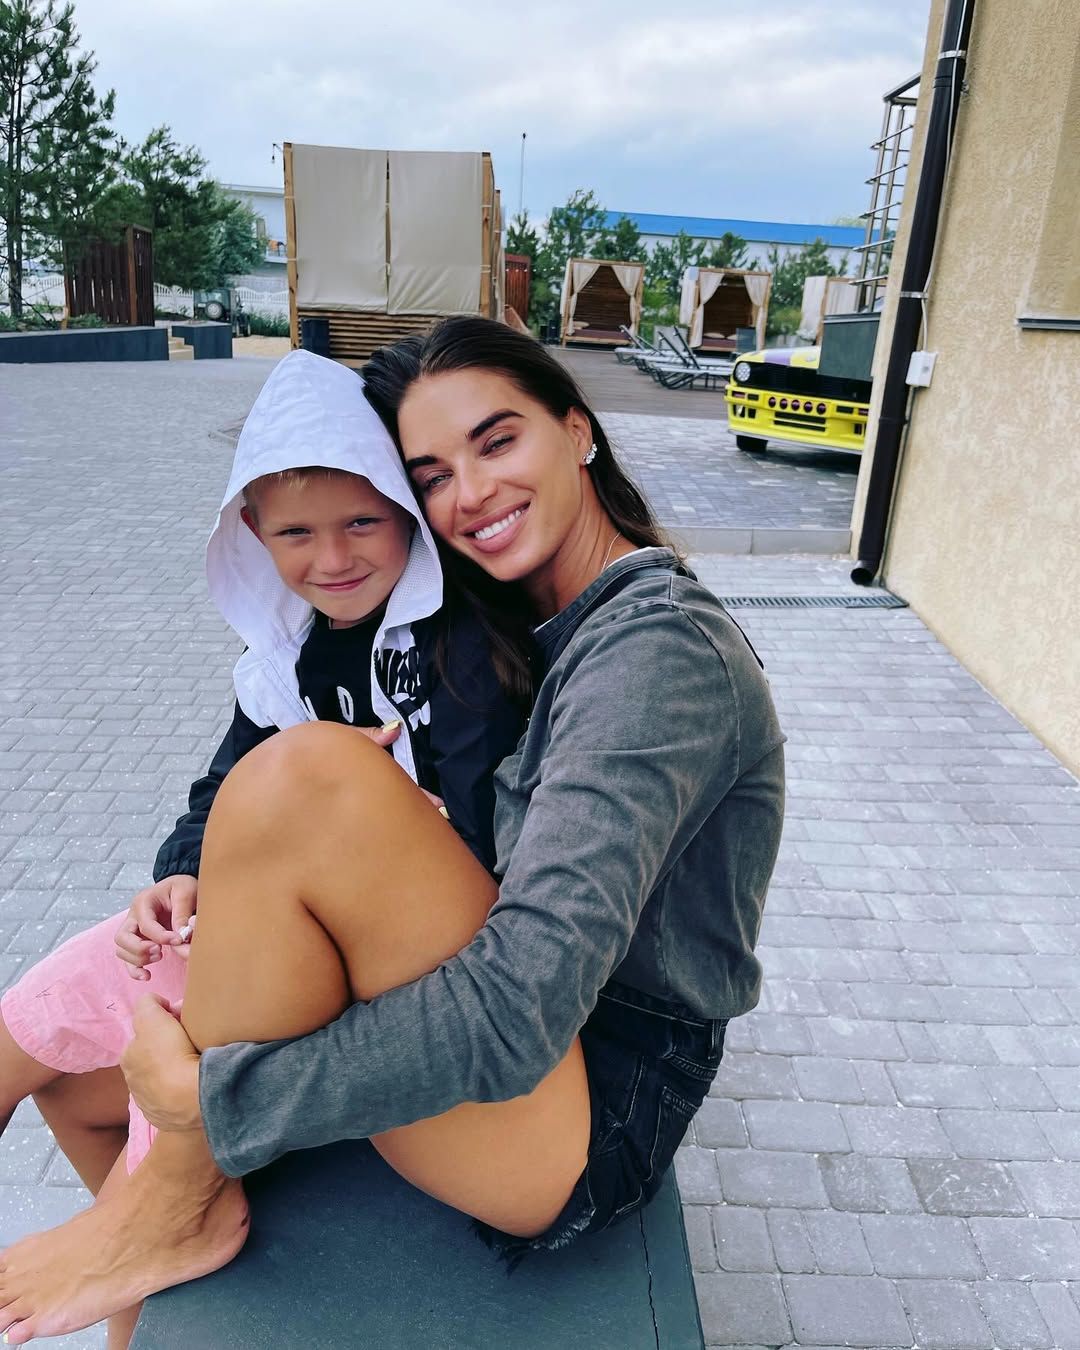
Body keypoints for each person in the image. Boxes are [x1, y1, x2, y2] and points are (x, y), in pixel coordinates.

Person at [0, 318, 784, 1345]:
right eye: (433, 474)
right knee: (72, 1085)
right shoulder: (511, 614)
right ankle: (148, 1273)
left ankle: (170, 1202)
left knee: (312, 774)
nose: (472, 493)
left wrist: (219, 1099)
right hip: (521, 1038)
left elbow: (518, 1008)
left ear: (577, 429)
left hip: (587, 1102)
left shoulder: (657, 653)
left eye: (497, 441)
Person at [0, 346, 524, 1345]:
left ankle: (152, 1237)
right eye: (296, 533)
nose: (333, 559)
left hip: (367, 959)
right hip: (264, 922)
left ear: (405, 512)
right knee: (44, 1013)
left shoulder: (458, 649)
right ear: (250, 532)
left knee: (144, 1104)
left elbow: (488, 837)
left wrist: (384, 803)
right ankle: (134, 1257)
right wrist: (179, 874)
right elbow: (222, 785)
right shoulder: (291, 651)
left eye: (362, 522)